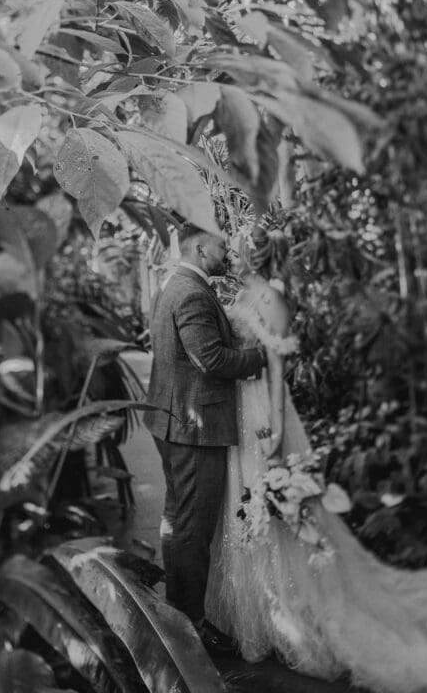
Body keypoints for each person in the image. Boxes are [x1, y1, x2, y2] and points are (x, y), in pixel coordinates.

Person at [205, 237, 427, 693]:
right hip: (236, 409)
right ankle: (256, 610)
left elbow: (277, 369)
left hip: (262, 415)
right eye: (229, 248)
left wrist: (273, 430)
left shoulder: (272, 299)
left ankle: (296, 609)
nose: (230, 254)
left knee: (272, 510)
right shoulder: (239, 295)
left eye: (237, 248)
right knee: (242, 503)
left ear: (256, 254)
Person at [143, 223, 267, 653]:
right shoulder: (192, 292)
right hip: (193, 427)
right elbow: (211, 359)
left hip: (174, 420)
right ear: (199, 247)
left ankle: (181, 616)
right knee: (192, 529)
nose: (226, 250)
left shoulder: (175, 284)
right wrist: (264, 357)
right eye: (219, 245)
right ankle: (189, 625)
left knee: (179, 520)